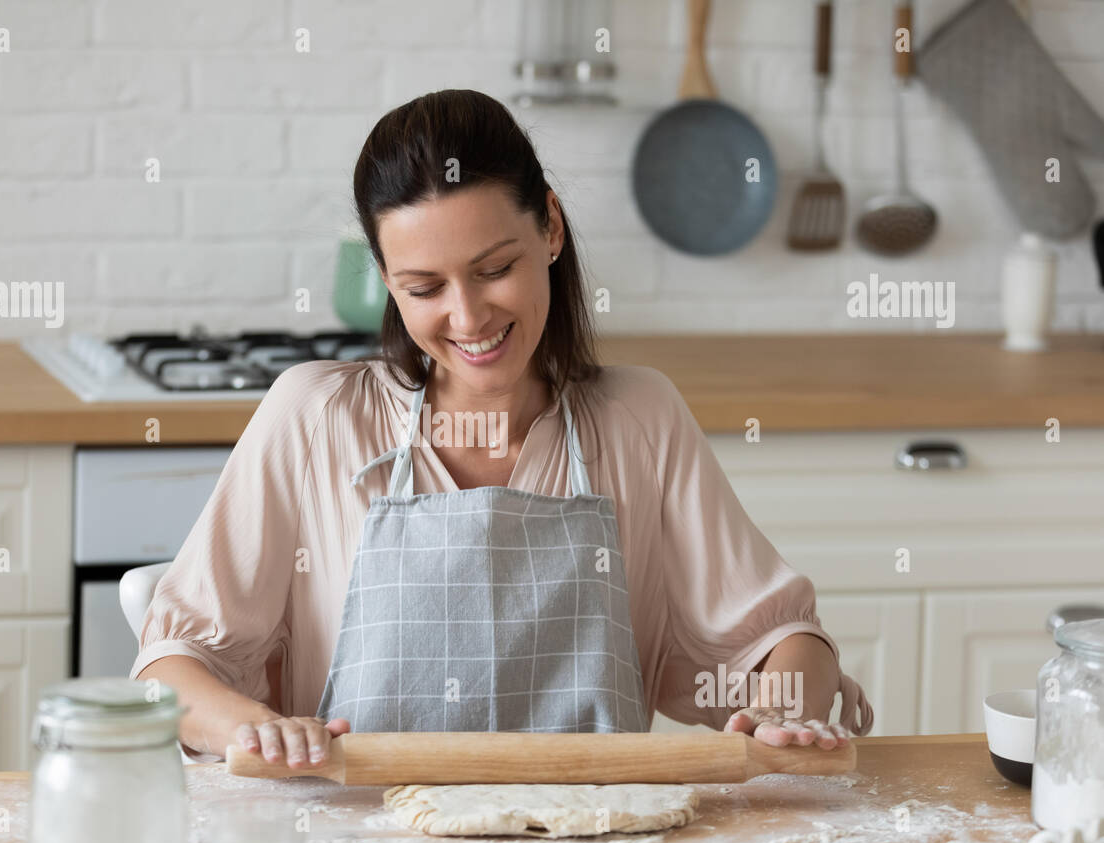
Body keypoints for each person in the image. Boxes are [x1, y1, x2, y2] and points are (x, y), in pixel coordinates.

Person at [134, 89, 874, 768]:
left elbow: (781, 641)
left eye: (493, 270)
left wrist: (786, 711)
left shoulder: (637, 420)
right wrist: (253, 729)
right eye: (424, 288)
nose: (467, 317)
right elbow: (173, 665)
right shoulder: (316, 418)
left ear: (550, 227)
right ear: (389, 283)